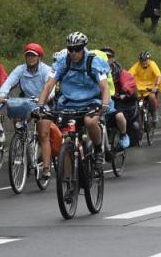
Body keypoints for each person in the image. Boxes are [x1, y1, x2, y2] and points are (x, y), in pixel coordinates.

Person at [37, 32, 112, 166]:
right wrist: (40, 105)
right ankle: (67, 180)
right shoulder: (62, 61)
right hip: (68, 103)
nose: (73, 53)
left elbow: (105, 87)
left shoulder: (93, 61)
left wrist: (105, 104)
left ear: (83, 48)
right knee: (66, 140)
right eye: (70, 49)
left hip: (91, 101)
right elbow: (48, 85)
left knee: (90, 122)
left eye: (77, 49)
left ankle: (98, 149)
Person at [0, 42, 57, 178]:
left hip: (43, 103)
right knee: (17, 117)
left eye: (33, 56)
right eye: (28, 55)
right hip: (26, 102)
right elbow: (9, 82)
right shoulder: (20, 69)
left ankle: (46, 168)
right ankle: (21, 142)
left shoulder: (46, 70)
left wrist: (44, 99)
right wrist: (2, 95)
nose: (30, 58)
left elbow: (51, 89)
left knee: (43, 135)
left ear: (39, 57)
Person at [129, 50, 161, 122]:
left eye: (145, 60)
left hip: (151, 87)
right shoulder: (137, 65)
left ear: (148, 60)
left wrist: (156, 86)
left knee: (152, 97)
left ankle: (154, 114)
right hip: (140, 88)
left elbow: (158, 76)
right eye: (142, 60)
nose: (144, 62)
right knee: (133, 100)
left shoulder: (152, 64)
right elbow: (129, 74)